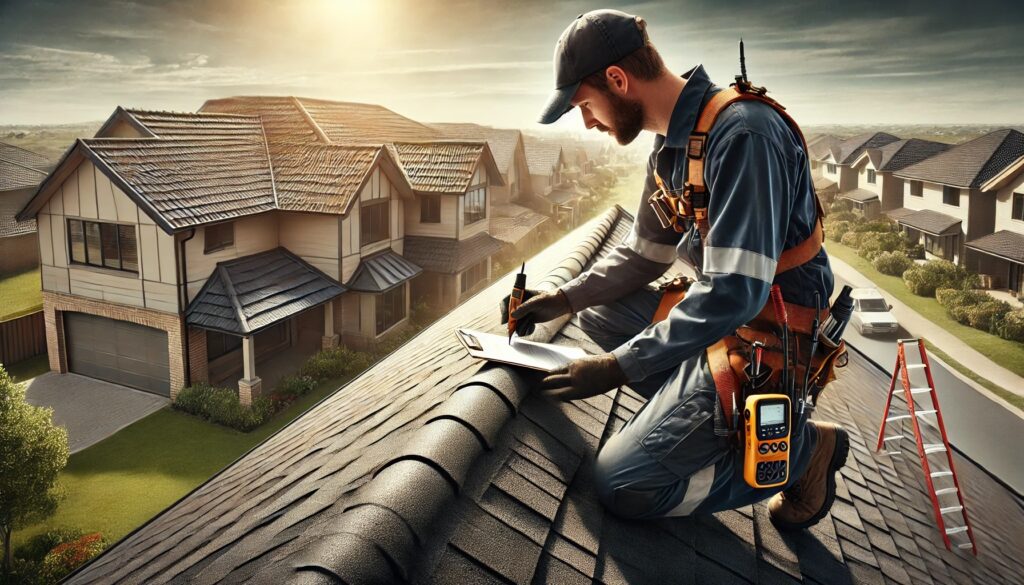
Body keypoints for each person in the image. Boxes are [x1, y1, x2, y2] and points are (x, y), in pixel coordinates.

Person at [500, 9, 849, 528]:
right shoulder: (671, 149)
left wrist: (618, 366)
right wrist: (565, 297)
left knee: (623, 486)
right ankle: (686, 403)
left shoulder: (743, 136)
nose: (588, 122)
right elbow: (644, 255)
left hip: (765, 330)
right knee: (597, 313)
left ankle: (803, 451)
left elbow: (736, 294)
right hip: (723, 318)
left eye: (584, 106)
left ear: (617, 80)